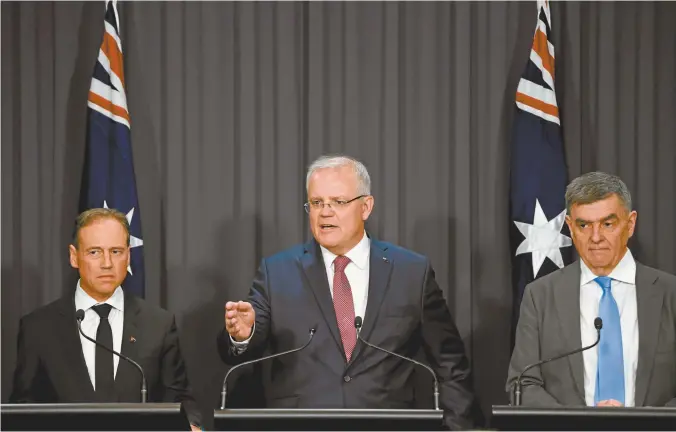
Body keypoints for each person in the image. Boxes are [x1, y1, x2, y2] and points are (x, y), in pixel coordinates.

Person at [217, 155, 478, 429]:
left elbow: (450, 365)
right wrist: (241, 335)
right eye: (316, 203)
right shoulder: (277, 272)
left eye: (338, 202)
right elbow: (237, 352)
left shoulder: (411, 272)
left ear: (366, 207)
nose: (325, 212)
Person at [10, 208, 202, 430]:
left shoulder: (159, 324)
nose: (107, 263)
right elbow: (23, 410)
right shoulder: (38, 328)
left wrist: (192, 425)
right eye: (94, 252)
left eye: (116, 251)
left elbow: (180, 400)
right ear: (74, 256)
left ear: (128, 256)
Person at [507, 171, 676, 407]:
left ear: (630, 224)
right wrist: (577, 425)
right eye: (584, 225)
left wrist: (646, 424)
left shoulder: (670, 294)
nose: (595, 237)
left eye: (608, 224)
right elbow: (522, 384)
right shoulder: (541, 296)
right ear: (570, 227)